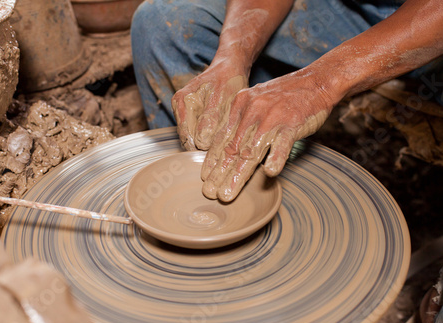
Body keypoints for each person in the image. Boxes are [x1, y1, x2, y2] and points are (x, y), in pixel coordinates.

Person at [130, 0, 443, 203]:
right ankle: (196, 188)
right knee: (163, 22)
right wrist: (231, 58)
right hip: (348, 10)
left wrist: (319, 84)